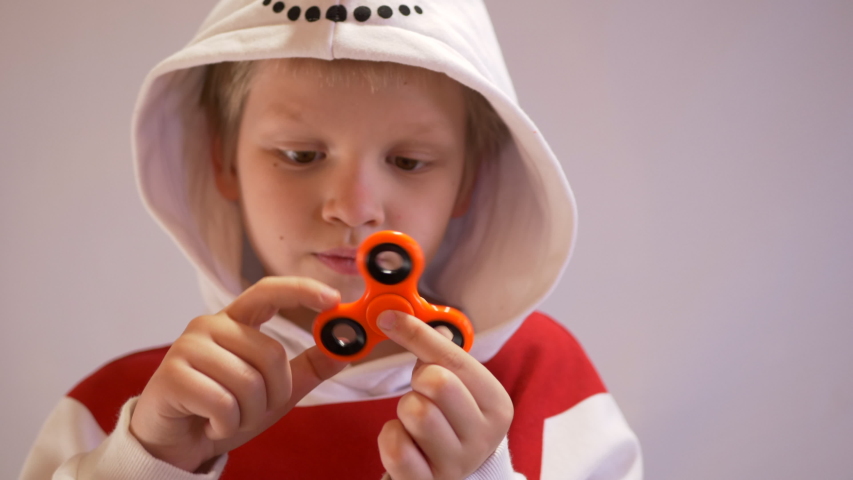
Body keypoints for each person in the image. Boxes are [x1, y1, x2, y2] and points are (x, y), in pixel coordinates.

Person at [20, 1, 642, 479]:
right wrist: (149, 463)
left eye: (408, 161)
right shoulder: (127, 415)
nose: (353, 209)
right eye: (299, 154)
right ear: (224, 161)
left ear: (468, 182)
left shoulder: (542, 382)